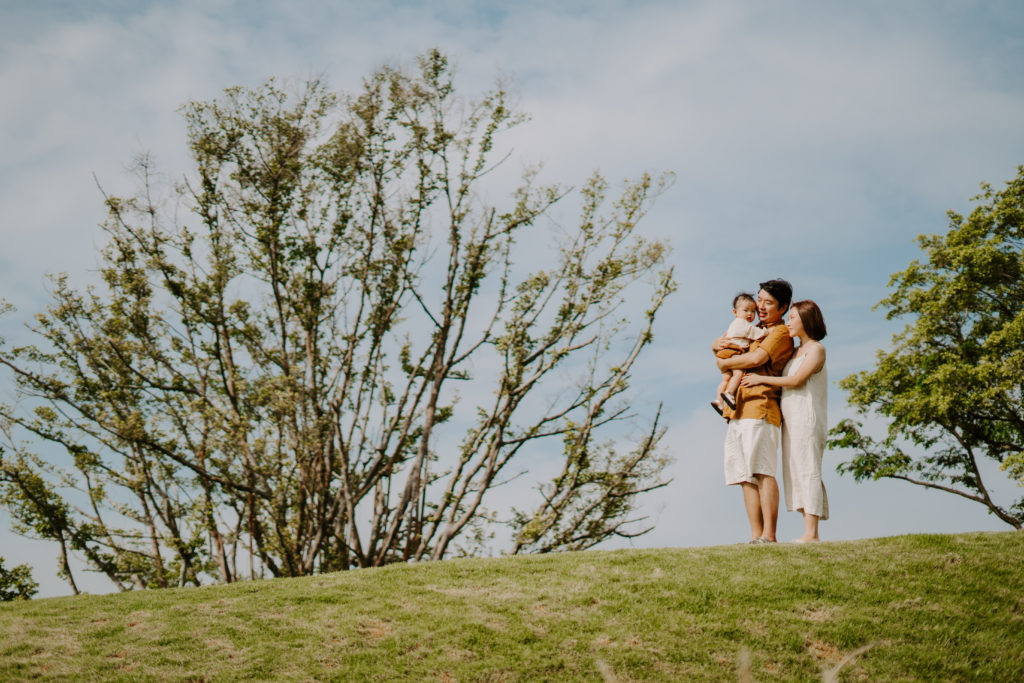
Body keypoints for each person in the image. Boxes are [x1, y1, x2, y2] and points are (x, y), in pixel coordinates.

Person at [712, 279, 795, 544]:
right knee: (744, 476)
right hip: (737, 409)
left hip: (761, 407)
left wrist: (724, 363)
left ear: (783, 307)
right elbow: (723, 349)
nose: (760, 306)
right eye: (759, 300)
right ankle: (755, 536)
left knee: (762, 470)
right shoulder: (753, 329)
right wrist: (718, 351)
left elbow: (756, 359)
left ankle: (769, 535)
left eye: (768, 302)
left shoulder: (780, 333)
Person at [741, 300, 828, 543]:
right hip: (790, 419)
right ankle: (807, 529)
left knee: (808, 469)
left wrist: (761, 380)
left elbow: (797, 380)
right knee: (795, 471)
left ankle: (811, 533)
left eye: (792, 318)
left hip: (807, 417)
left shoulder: (816, 349)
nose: (788, 323)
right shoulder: (796, 351)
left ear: (806, 320)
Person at [712, 293, 767, 415]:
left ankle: (719, 401)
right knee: (739, 373)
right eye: (745, 310)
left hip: (724, 352)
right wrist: (765, 332)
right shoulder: (742, 323)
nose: (749, 314)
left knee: (726, 379)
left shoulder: (733, 324)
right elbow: (754, 332)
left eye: (752, 311)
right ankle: (730, 393)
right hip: (733, 351)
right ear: (735, 312)